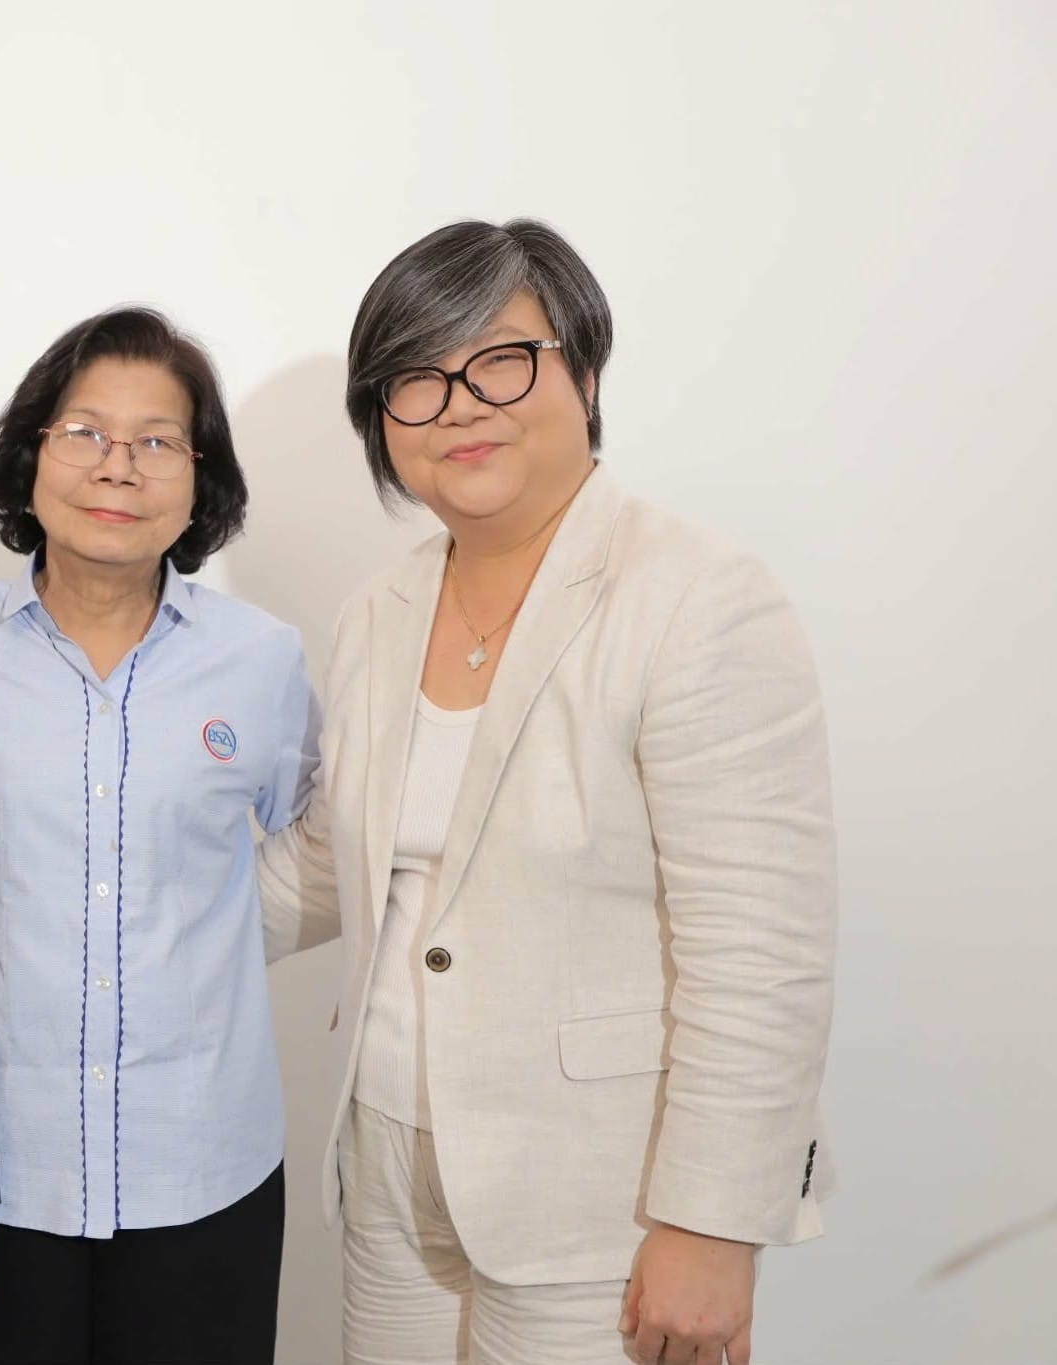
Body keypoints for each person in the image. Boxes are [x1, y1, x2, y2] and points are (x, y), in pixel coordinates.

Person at [259, 218, 838, 1365]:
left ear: (582, 372)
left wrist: (711, 1222)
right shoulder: (378, 610)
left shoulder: (695, 597)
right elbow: (333, 857)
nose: (459, 405)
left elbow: (759, 948)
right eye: (417, 379)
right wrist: (108, 920)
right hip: (386, 1172)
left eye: (500, 360)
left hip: (601, 1200)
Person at [0, 307, 315, 1365]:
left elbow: (325, 848)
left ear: (198, 477)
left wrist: (214, 944)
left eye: (157, 440)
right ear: (30, 454)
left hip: (204, 1168)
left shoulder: (261, 660)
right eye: (85, 431)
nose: (118, 466)